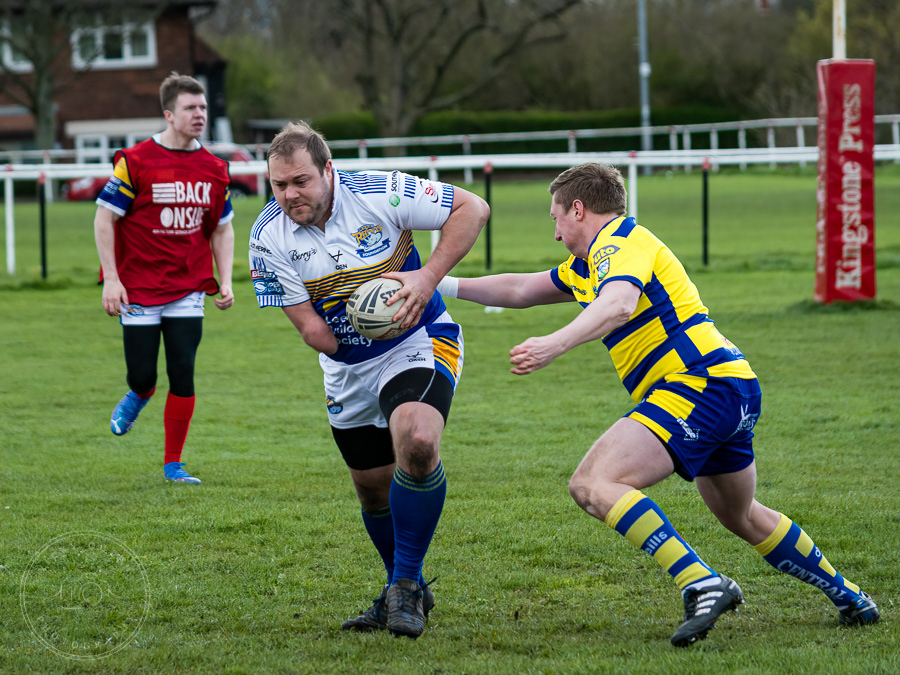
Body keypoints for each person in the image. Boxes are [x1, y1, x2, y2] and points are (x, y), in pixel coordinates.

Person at [437, 162, 880, 647]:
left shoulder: (621, 242)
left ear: (578, 209)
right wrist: (436, 282)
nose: (556, 233)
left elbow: (618, 305)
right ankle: (850, 596)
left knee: (593, 483)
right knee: (742, 515)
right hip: (730, 386)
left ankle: (701, 582)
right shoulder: (590, 264)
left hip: (697, 385)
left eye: (556, 219)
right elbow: (520, 289)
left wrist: (554, 344)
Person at [248, 121, 489, 638]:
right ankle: (406, 585)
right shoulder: (267, 237)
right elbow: (313, 331)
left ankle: (402, 587)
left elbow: (473, 208)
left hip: (418, 339)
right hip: (347, 367)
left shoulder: (379, 191)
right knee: (373, 491)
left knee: (418, 442)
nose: (290, 195)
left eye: (301, 181)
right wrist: (366, 325)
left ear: (328, 171)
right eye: (279, 185)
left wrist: (426, 279)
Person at [94, 72, 236, 485]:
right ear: (169, 114)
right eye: (190, 108)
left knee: (183, 372)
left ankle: (173, 464)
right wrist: (112, 279)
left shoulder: (214, 168)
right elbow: (104, 218)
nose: (200, 114)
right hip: (138, 286)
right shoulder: (135, 161)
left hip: (188, 285)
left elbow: (223, 228)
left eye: (203, 107)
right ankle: (139, 393)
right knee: (143, 375)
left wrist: (225, 279)